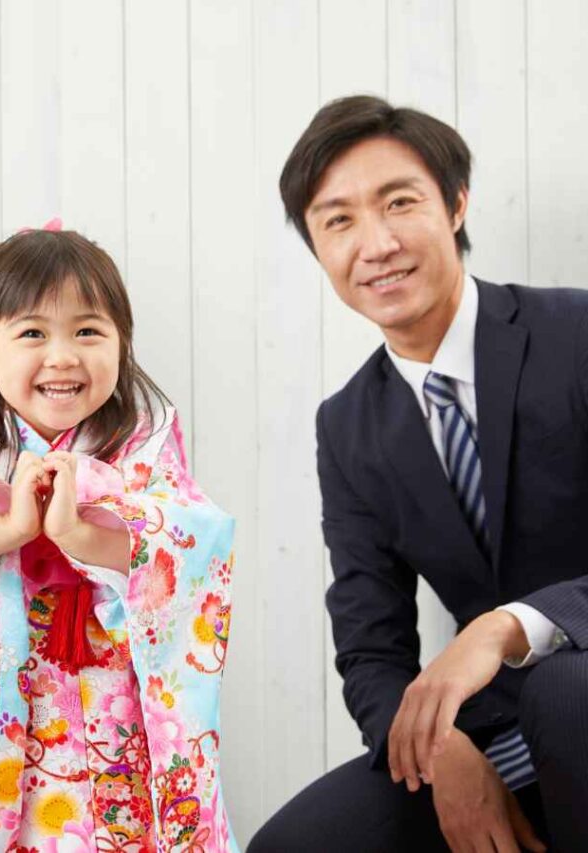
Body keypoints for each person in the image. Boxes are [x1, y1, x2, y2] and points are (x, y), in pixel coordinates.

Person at [248, 95, 588, 852]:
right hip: (494, 721)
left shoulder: (574, 332)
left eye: (399, 202)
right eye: (337, 221)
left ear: (456, 203)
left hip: (578, 692)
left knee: (568, 695)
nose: (376, 244)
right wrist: (438, 752)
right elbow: (371, 645)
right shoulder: (348, 425)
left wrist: (502, 629)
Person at [0, 224, 238, 852]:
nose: (62, 356)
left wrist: (79, 533)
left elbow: (193, 548)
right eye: (32, 333)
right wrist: (6, 528)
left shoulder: (144, 439)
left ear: (121, 344)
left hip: (115, 705)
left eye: (87, 331)